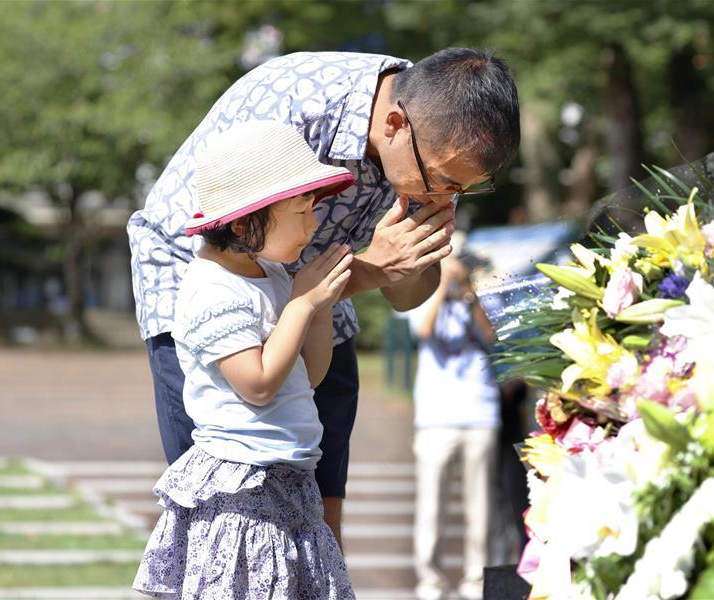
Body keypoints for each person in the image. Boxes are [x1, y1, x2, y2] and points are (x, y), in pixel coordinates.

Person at [127, 48, 520, 546]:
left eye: (464, 188)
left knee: (319, 496)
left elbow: (406, 296)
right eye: (442, 181)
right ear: (395, 124)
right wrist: (365, 271)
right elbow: (232, 248)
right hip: (205, 269)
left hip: (316, 284)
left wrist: (399, 263)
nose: (445, 197)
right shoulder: (297, 108)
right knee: (223, 508)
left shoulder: (434, 137)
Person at [133, 122, 356, 598]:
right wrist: (299, 304)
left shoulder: (272, 275)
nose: (312, 226)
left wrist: (317, 309)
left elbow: (307, 377)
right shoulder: (213, 287)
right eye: (301, 212)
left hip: (290, 479)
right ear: (242, 222)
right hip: (243, 491)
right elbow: (256, 383)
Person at [407, 243, 501, 600]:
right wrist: (440, 287)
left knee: (480, 507)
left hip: (480, 413)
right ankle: (430, 580)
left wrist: (468, 293)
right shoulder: (419, 295)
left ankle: (476, 580)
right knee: (431, 506)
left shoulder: (478, 293)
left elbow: (490, 335)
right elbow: (424, 331)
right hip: (435, 418)